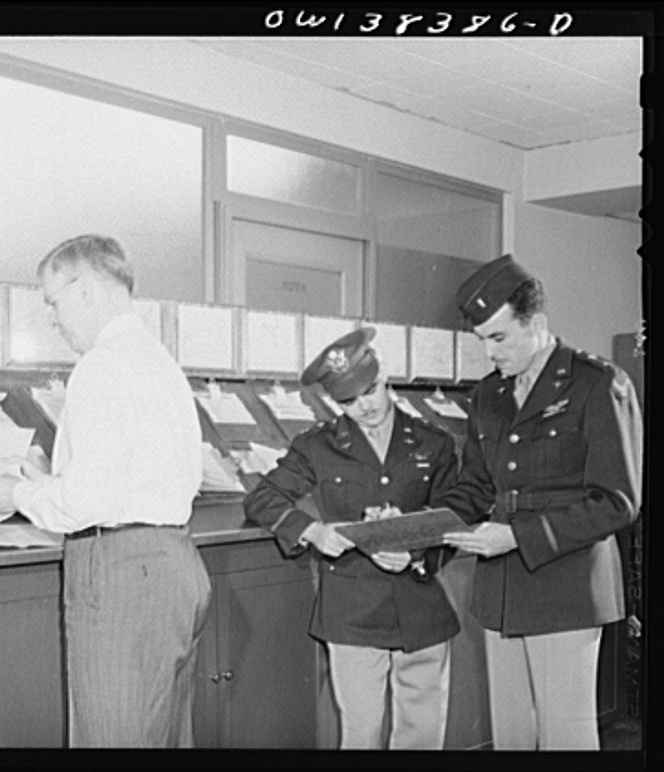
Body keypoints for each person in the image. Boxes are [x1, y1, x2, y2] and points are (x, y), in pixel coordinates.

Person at [0, 235, 211, 748]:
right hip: (173, 564)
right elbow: (138, 476)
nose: (54, 319)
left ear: (85, 290)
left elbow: (87, 503)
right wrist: (48, 483)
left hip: (121, 572)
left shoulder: (101, 365)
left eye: (54, 301)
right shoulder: (159, 361)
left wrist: (14, 493)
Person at [436, 254, 642, 750]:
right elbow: (476, 487)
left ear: (537, 324)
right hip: (502, 591)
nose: (489, 353)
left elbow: (617, 501)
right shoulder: (488, 395)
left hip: (565, 585)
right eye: (481, 340)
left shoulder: (597, 385)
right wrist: (419, 531)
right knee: (512, 736)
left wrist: (515, 536)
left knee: (564, 737)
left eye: (499, 337)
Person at [244, 327, 460, 750]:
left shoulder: (434, 443)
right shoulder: (317, 446)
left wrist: (416, 552)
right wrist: (312, 531)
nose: (365, 406)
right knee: (359, 735)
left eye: (371, 390)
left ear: (386, 379)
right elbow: (262, 498)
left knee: (423, 735)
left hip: (421, 607)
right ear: (332, 402)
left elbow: (454, 518)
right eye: (348, 400)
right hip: (353, 613)